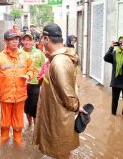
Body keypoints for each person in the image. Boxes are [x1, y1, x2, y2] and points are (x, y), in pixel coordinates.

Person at [33, 23, 86, 159]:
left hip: (59, 118)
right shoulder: (58, 58)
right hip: (59, 115)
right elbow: (70, 87)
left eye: (42, 39)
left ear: (46, 39)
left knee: (61, 152)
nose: (41, 42)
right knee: (62, 151)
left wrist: (76, 106)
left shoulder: (58, 62)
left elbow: (67, 94)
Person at [0, 29, 34, 146]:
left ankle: (17, 138)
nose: (15, 41)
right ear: (6, 41)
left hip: (20, 95)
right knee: (5, 120)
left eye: (17, 39)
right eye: (11, 39)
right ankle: (4, 137)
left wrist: (29, 75)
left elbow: (31, 69)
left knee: (19, 120)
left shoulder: (25, 56)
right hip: (5, 95)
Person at [21, 31, 45, 127]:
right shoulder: (19, 53)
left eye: (29, 40)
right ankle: (29, 124)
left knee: (35, 106)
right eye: (25, 40)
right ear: (22, 41)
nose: (27, 42)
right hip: (23, 84)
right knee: (26, 107)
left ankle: (36, 127)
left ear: (33, 41)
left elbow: (44, 67)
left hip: (35, 84)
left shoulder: (39, 53)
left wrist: (43, 80)